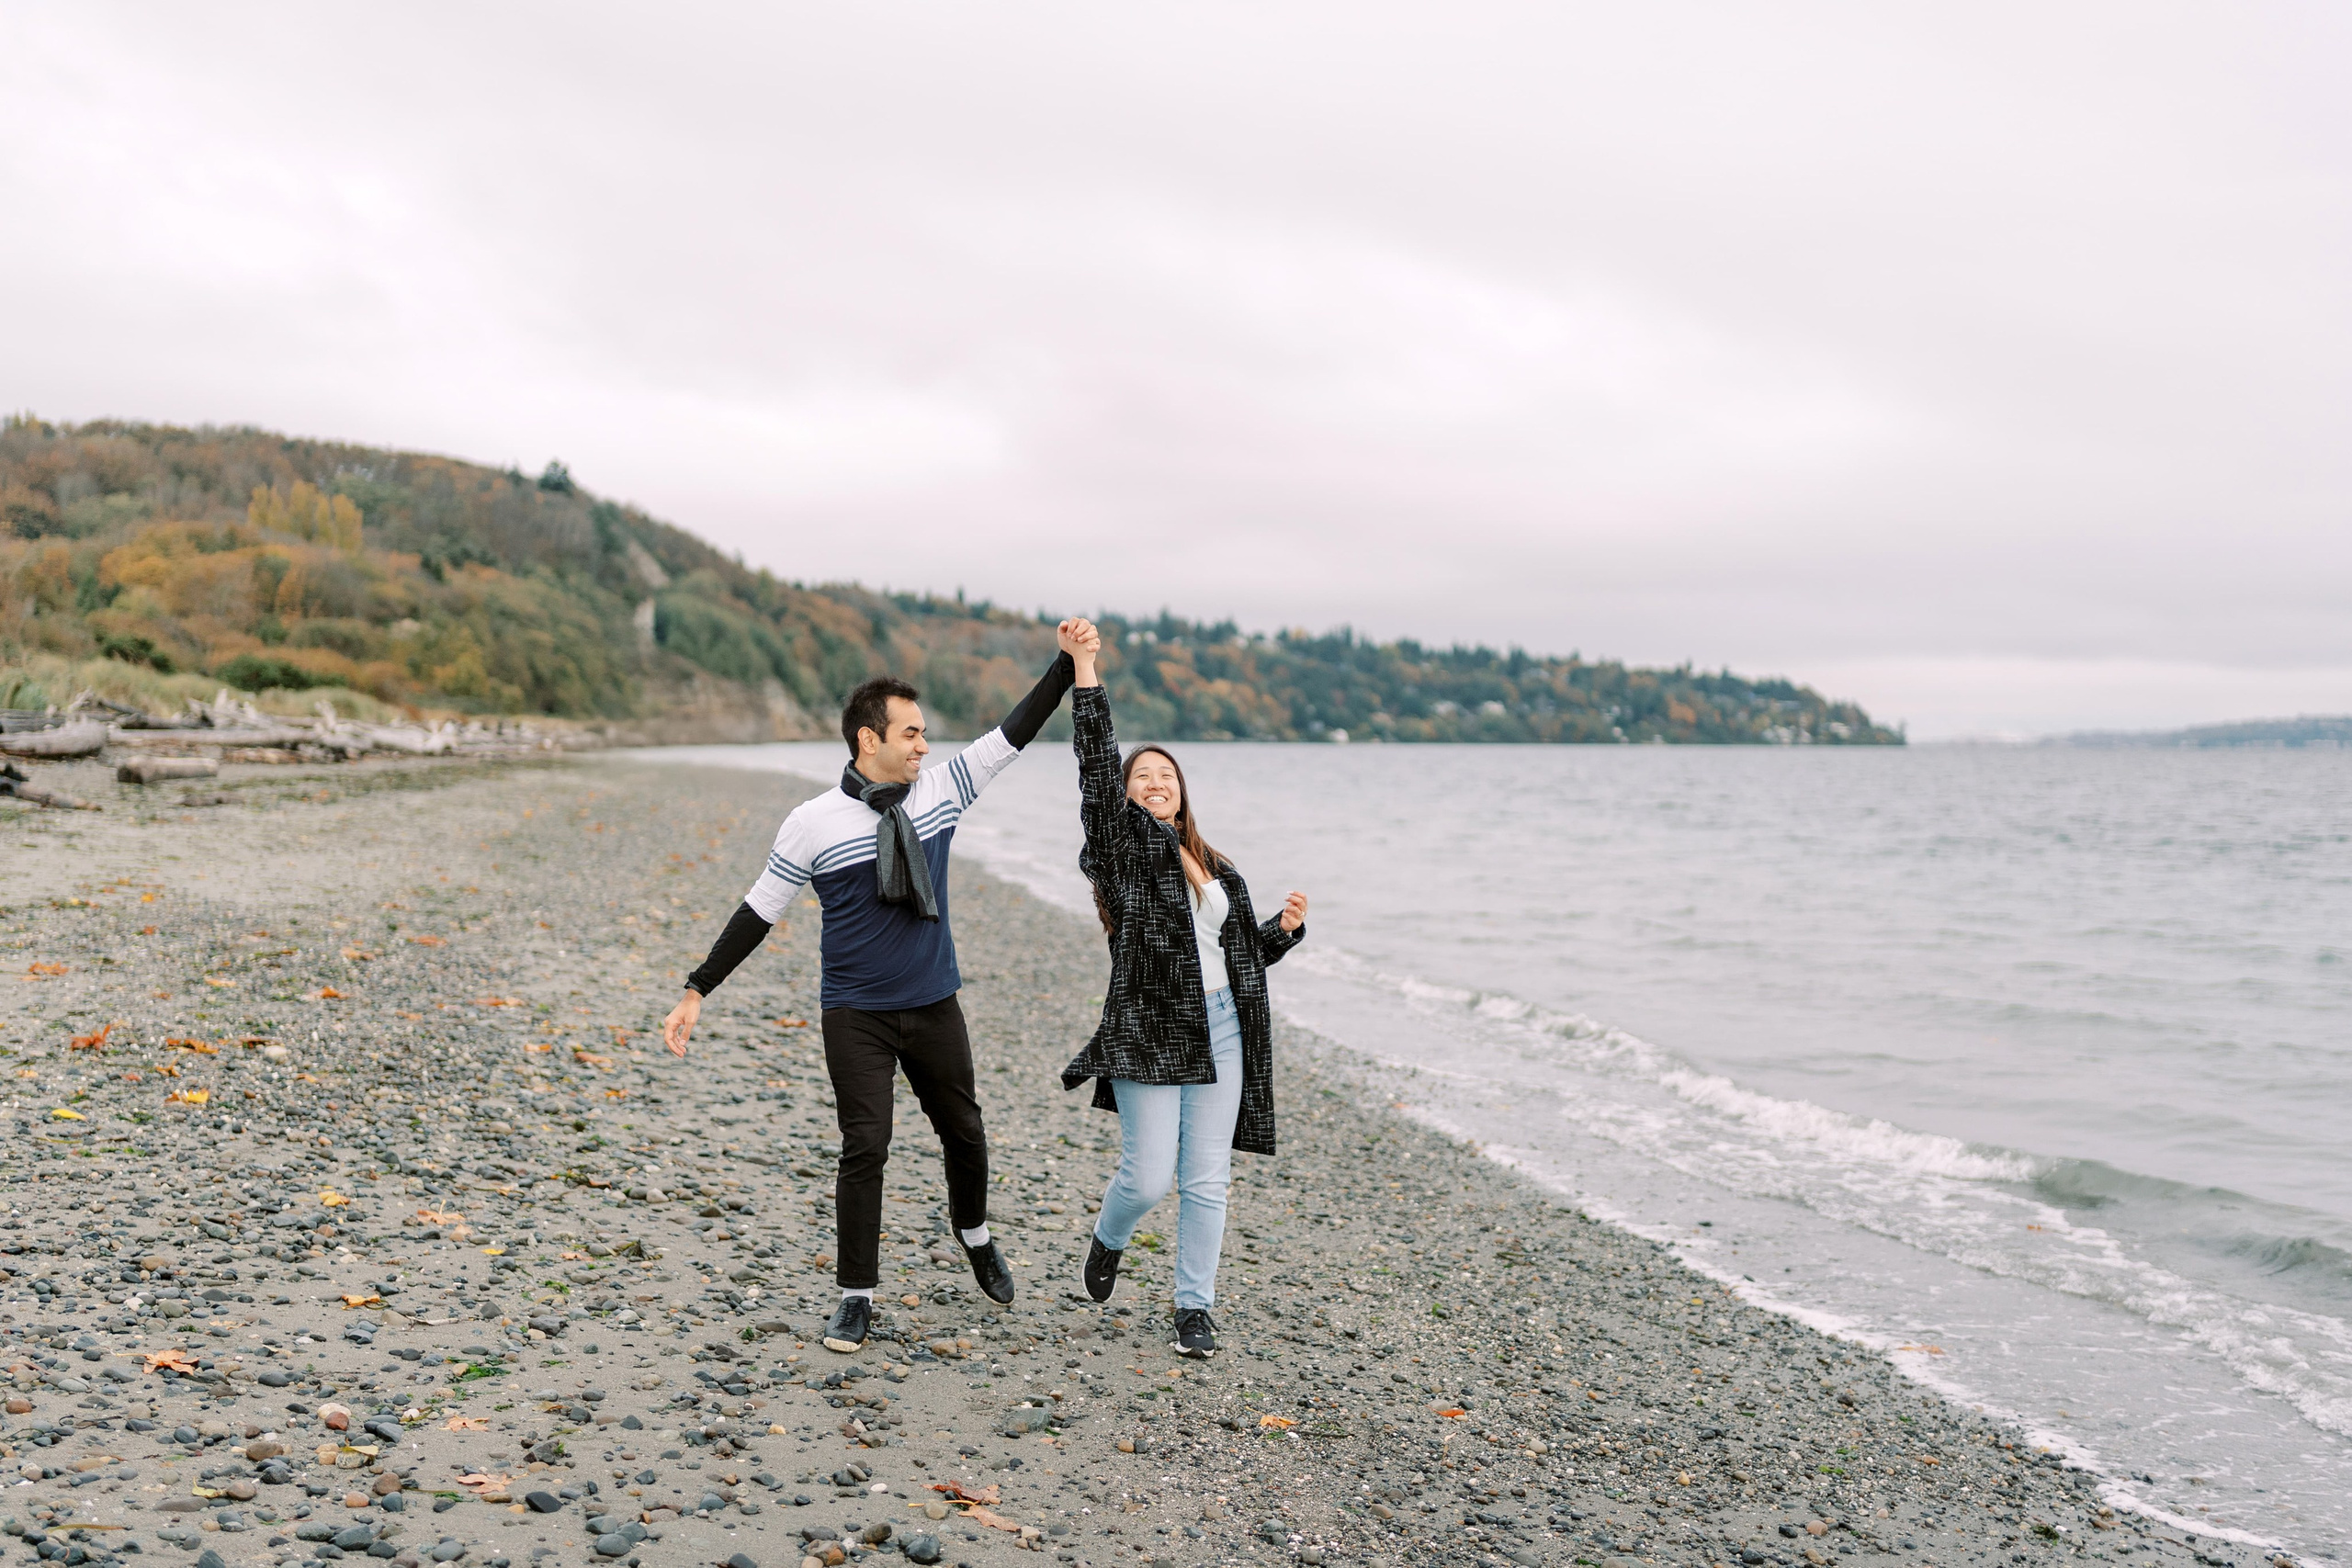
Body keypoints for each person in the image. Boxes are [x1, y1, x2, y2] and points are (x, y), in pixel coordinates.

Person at [662, 627, 1086, 1354]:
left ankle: (976, 1235)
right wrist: (698, 988)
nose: (925, 746)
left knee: (966, 1134)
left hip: (933, 1002)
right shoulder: (813, 822)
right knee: (866, 1146)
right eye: (912, 733)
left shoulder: (943, 792)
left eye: (926, 735)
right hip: (855, 1013)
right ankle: (855, 1296)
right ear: (869, 739)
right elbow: (759, 910)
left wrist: (1069, 664)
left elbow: (1015, 731)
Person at [1057, 623, 1308, 1359]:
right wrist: (1086, 667)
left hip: (1223, 1026)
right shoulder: (1119, 851)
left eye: (1166, 775)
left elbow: (1238, 955)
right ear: (1127, 793)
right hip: (1148, 1032)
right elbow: (1095, 762)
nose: (1155, 782)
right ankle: (1109, 1236)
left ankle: (1193, 1306)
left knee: (1206, 1179)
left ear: (1182, 791)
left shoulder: (1216, 866)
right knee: (1146, 1178)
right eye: (1143, 776)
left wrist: (1282, 931)